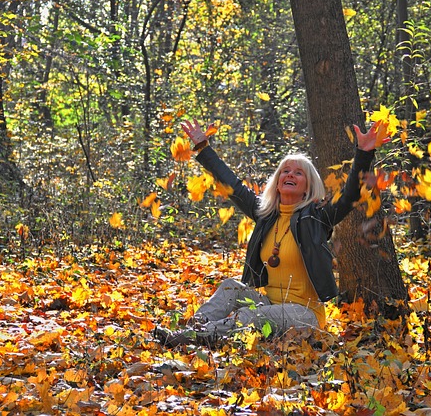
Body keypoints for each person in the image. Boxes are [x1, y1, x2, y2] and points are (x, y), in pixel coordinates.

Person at [155, 119, 379, 347]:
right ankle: (191, 332)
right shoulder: (265, 213)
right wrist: (203, 148)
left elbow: (351, 194)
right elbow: (232, 185)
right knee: (231, 286)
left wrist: (364, 154)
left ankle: (189, 339)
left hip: (305, 314)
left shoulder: (317, 217)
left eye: (298, 173)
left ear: (308, 187)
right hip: (270, 304)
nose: (290, 175)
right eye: (285, 171)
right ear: (278, 181)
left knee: (249, 317)